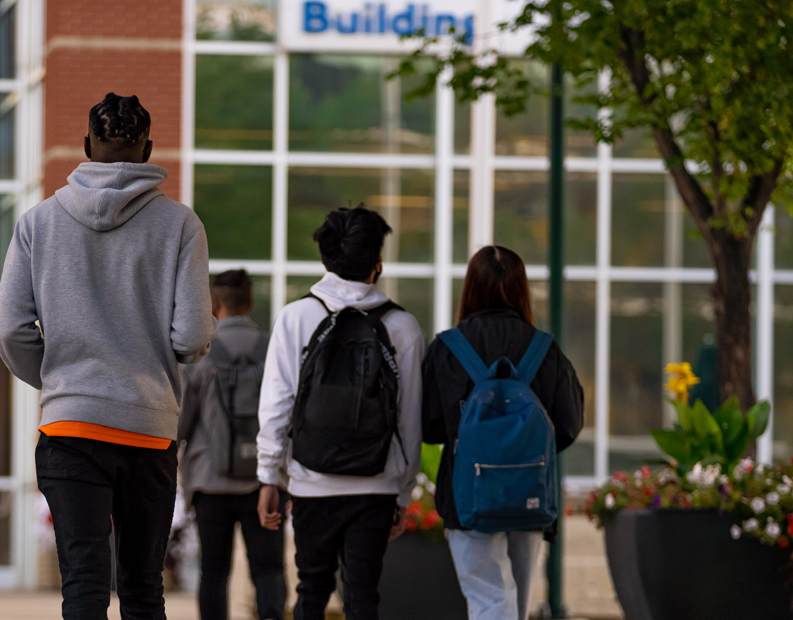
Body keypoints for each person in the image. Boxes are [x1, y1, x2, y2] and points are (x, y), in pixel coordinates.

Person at [0, 92, 217, 620]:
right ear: (149, 149)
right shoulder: (181, 225)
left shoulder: (37, 224)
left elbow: (8, 330)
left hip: (70, 430)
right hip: (147, 429)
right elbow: (191, 338)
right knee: (142, 590)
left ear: (87, 146)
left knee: (84, 588)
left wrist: (55, 381)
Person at [256, 207, 425, 620]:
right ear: (377, 262)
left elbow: (277, 404)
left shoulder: (295, 317)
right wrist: (403, 491)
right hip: (376, 483)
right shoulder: (403, 326)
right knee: (363, 595)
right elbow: (410, 418)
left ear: (325, 260)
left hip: (312, 481)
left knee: (311, 590)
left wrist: (268, 477)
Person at [422, 246, 584, 620]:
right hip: (529, 492)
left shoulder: (448, 348)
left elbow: (429, 428)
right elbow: (571, 423)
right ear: (522, 289)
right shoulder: (545, 348)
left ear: (470, 289)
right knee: (517, 602)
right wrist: (524, 451)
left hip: (468, 494)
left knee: (489, 598)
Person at [177, 270, 285, 620]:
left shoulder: (200, 351)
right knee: (268, 570)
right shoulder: (273, 348)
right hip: (263, 480)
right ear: (250, 302)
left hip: (211, 480)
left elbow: (181, 421)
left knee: (213, 571)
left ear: (215, 303)